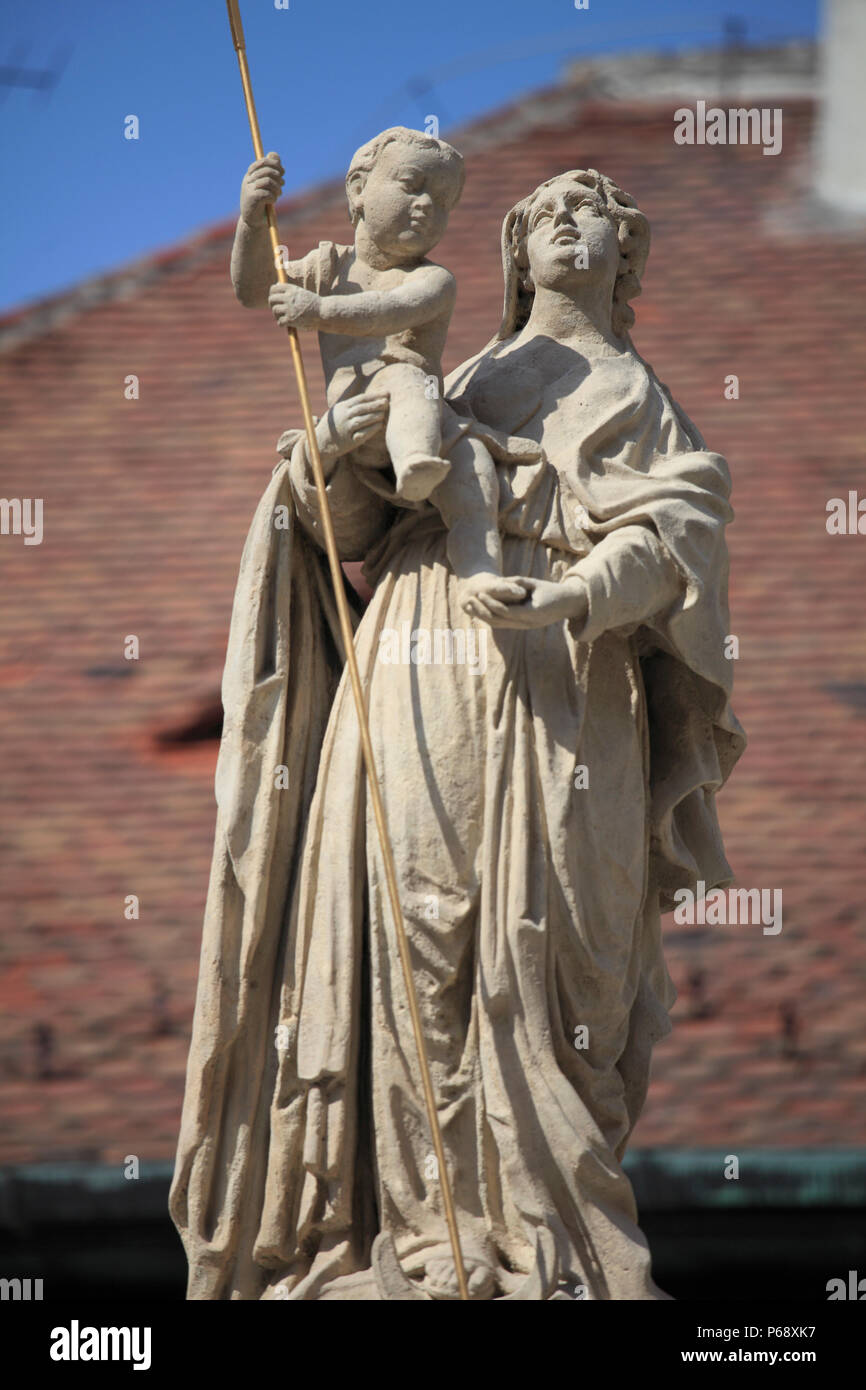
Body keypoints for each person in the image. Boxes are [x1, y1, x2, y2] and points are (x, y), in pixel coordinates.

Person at [170, 166, 745, 1301]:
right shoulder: (455, 369)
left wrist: (572, 595)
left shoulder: (635, 396)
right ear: (515, 251)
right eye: (544, 213)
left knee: (554, 959)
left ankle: (545, 1238)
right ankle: (423, 1234)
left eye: (591, 212)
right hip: (415, 650)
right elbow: (352, 528)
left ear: (623, 255)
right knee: (411, 920)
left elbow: (679, 541)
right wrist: (327, 448)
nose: (567, 223)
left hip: (560, 682)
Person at [233, 129, 536, 617]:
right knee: (380, 409)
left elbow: (389, 310)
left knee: (467, 459)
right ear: (357, 190)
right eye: (412, 184)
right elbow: (253, 289)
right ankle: (408, 468)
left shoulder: (433, 280)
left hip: (424, 423)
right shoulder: (328, 267)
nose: (425, 207)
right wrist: (251, 218)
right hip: (355, 429)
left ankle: (477, 566)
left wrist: (317, 310)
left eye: (441, 201)